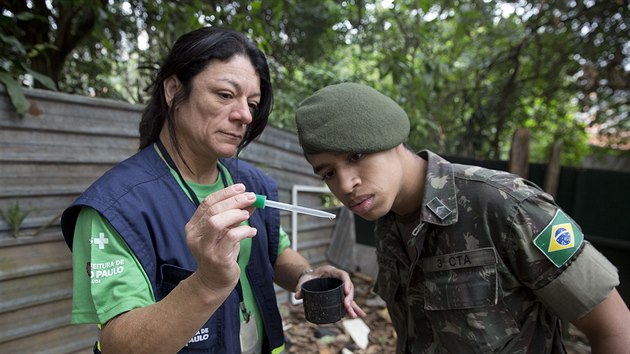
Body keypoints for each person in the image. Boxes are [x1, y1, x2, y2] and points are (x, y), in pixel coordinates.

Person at [60, 27, 365, 354]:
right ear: (174, 89)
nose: (245, 115)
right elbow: (119, 344)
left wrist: (307, 275)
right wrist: (206, 283)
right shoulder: (116, 206)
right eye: (224, 94)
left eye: (252, 103)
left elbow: (274, 252)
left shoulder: (252, 183)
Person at [294, 82, 630, 353]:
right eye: (328, 173)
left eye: (356, 156)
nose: (346, 184)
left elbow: (615, 329)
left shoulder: (504, 204)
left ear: (392, 138)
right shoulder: (388, 222)